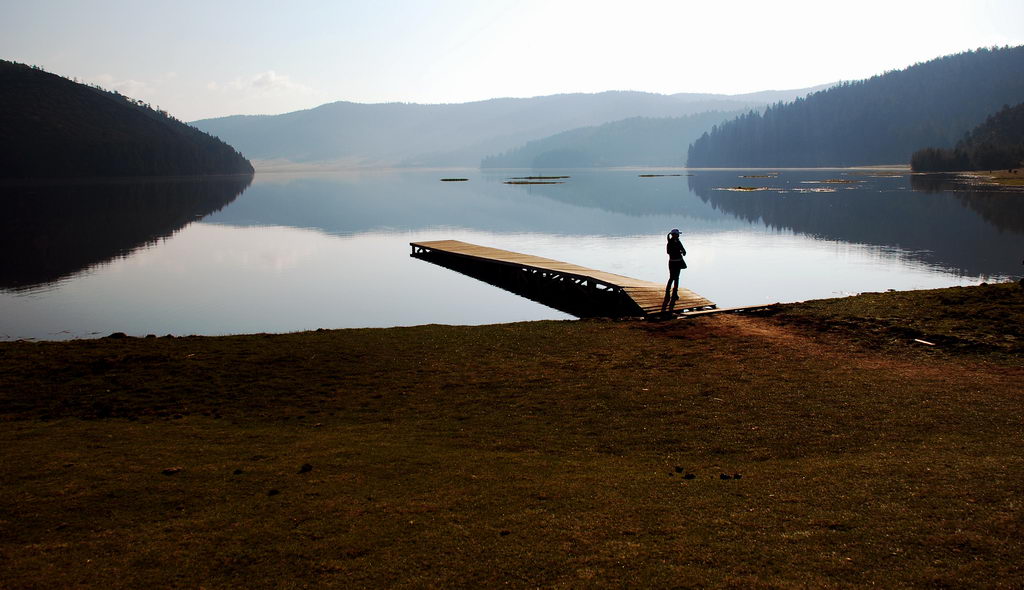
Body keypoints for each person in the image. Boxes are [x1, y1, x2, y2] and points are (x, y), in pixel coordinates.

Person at [665, 228, 687, 300]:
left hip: (677, 262)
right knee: (672, 278)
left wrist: (683, 252)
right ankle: (667, 293)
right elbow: (668, 252)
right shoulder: (670, 242)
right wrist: (678, 251)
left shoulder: (678, 241)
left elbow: (683, 250)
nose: (678, 236)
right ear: (674, 235)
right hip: (673, 262)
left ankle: (674, 294)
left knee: (676, 278)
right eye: (678, 234)